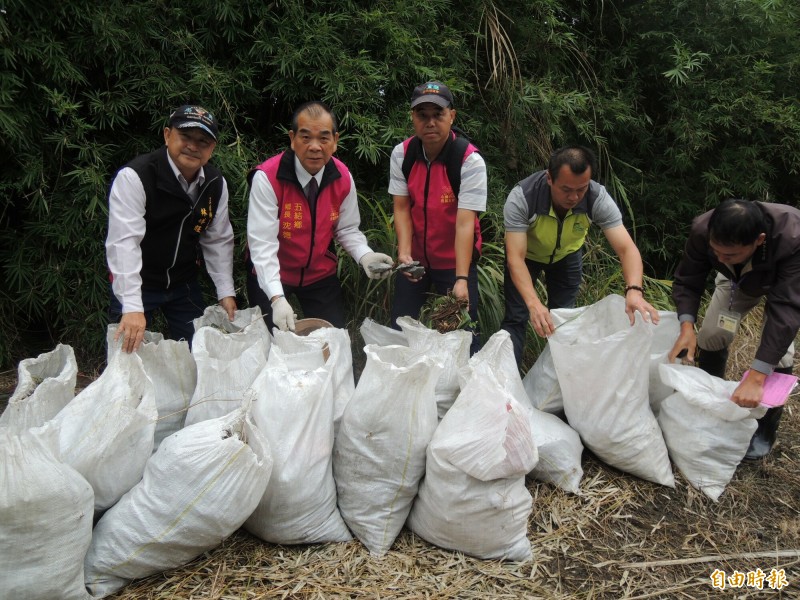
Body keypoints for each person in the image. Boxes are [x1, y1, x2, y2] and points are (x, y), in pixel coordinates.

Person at [501, 145, 659, 364]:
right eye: (566, 189)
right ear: (549, 178)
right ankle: (507, 387)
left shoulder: (596, 197)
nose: (574, 197)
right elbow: (515, 258)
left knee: (564, 321)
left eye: (581, 189)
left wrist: (634, 290)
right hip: (527, 259)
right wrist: (534, 303)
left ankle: (558, 382)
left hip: (567, 257)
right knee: (516, 318)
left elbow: (627, 249)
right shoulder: (524, 197)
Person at [668, 198, 800, 460]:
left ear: (759, 240)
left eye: (728, 254)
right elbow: (688, 280)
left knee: (780, 354)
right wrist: (686, 326)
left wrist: (757, 374)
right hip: (735, 280)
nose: (718, 257)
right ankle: (713, 408)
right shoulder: (702, 230)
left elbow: (786, 310)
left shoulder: (792, 237)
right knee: (712, 335)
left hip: (785, 283)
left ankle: (763, 428)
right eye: (715, 251)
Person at [246, 101, 393, 332]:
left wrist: (366, 256)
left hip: (319, 274)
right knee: (267, 344)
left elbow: (347, 229)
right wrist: (276, 298)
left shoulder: (342, 177)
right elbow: (262, 244)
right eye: (305, 137)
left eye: (324, 138)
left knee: (333, 341)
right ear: (292, 139)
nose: (315, 146)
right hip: (273, 273)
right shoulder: (268, 177)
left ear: (335, 141)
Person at [106, 104, 236, 354]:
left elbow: (218, 240)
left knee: (197, 354)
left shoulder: (215, 183)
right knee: (128, 360)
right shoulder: (137, 176)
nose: (193, 146)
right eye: (185, 137)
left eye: (203, 141)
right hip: (138, 283)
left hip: (183, 282)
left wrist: (226, 292)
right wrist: (132, 306)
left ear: (212, 149)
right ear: (167, 135)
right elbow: (124, 243)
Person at [388, 81, 487, 352]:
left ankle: (466, 388)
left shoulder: (469, 160)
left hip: (455, 261)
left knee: (463, 333)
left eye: (438, 114)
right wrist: (405, 254)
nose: (430, 122)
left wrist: (462, 278)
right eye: (422, 115)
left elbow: (466, 222)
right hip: (417, 258)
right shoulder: (403, 154)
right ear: (413, 118)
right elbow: (401, 208)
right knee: (400, 326)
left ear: (451, 116)